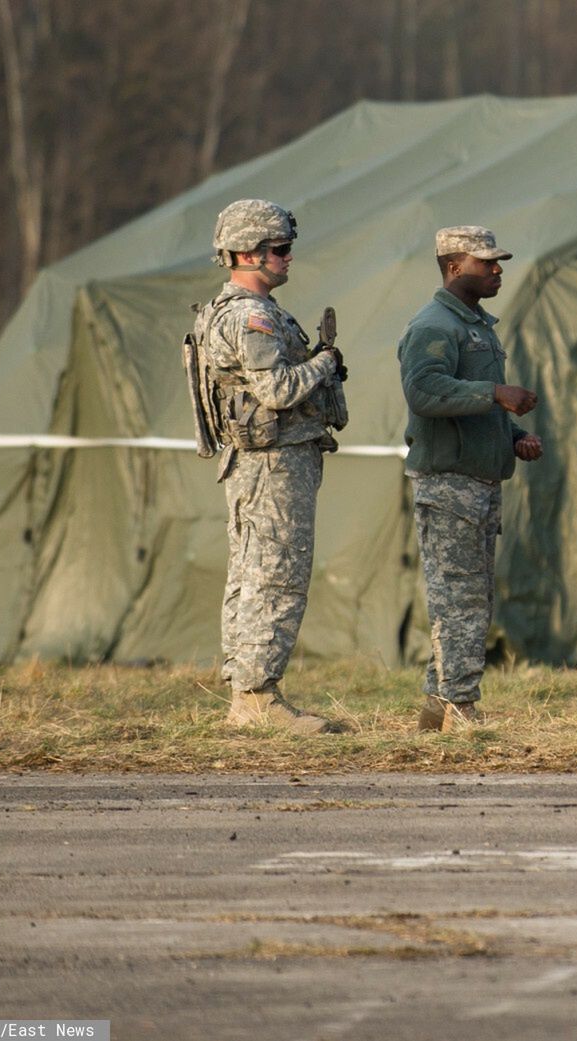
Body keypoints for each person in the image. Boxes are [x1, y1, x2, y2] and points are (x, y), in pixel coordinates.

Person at [194, 199, 349, 734]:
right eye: (277, 250)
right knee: (276, 575)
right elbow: (276, 389)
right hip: (272, 464)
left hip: (266, 464)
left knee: (253, 574)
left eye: (286, 249)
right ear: (244, 253)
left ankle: (248, 698)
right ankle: (259, 699)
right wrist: (325, 363)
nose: (287, 259)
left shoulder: (241, 312)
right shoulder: (250, 316)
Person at [398, 226, 543, 731]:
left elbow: (470, 403)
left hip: (478, 481)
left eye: (498, 261)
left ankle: (438, 707)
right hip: (448, 484)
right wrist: (496, 394)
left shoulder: (475, 324)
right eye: (486, 263)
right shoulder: (435, 326)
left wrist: (513, 435)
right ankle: (461, 708)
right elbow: (424, 391)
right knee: (458, 598)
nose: (497, 269)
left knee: (471, 597)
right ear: (455, 265)